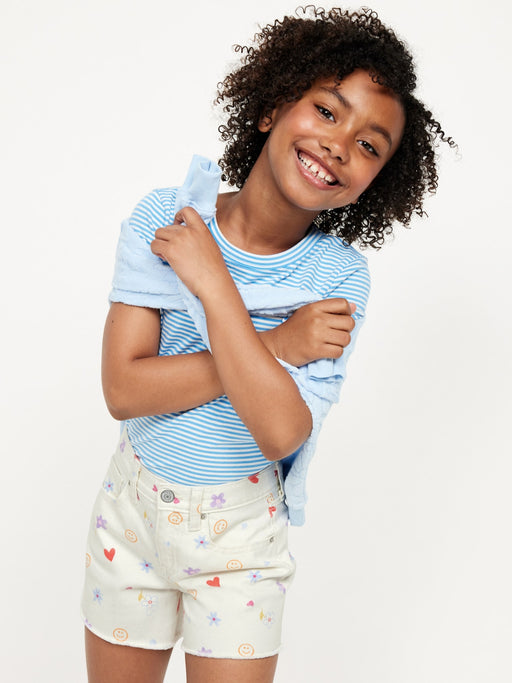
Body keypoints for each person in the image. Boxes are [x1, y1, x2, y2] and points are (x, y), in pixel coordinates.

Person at [81, 7, 453, 682]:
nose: (339, 145)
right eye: (327, 111)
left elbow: (281, 429)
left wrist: (212, 282)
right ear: (271, 107)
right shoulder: (166, 217)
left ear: (374, 183)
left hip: (242, 540)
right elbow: (124, 389)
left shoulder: (338, 277)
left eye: (370, 146)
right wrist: (278, 342)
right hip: (131, 520)